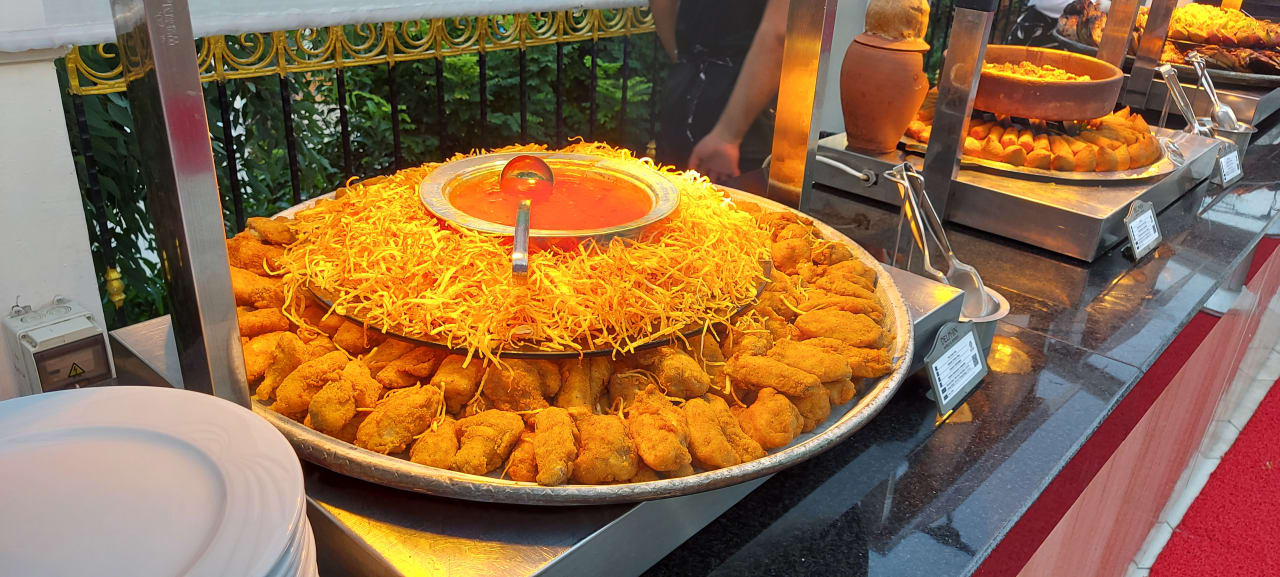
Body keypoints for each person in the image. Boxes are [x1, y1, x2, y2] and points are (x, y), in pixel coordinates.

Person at [651, 0, 790, 184]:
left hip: (683, 93)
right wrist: (728, 137)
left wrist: (686, 62)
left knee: (669, 196)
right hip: (743, 116)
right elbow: (779, 32)